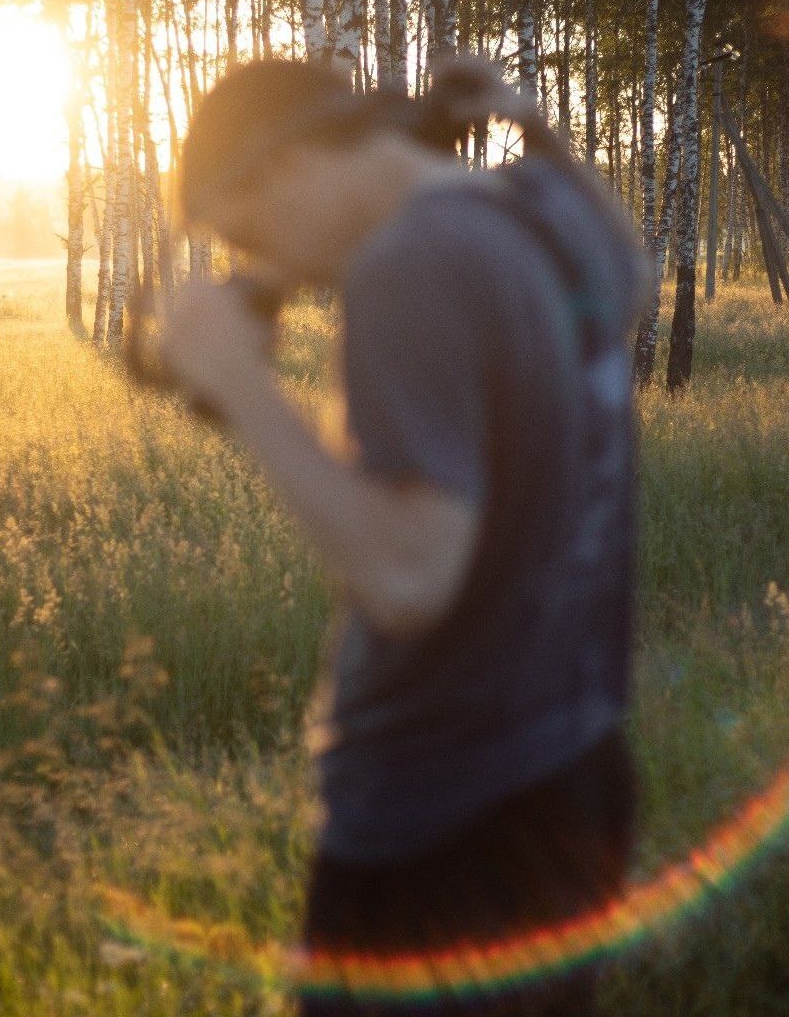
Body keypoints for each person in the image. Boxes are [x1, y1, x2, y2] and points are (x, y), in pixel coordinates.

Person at [161, 56, 648, 1016]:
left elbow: (410, 575)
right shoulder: (541, 208)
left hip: (443, 818)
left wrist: (240, 384)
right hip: (573, 776)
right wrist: (534, 127)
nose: (281, 273)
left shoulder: (411, 265)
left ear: (292, 163)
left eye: (251, 231)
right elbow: (627, 281)